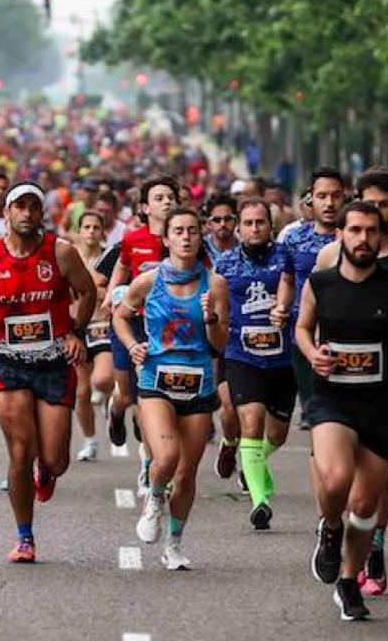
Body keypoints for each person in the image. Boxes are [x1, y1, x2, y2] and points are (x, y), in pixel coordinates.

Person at [297, 201, 388, 620]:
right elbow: (302, 329)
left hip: (383, 404)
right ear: (340, 235)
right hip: (333, 399)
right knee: (337, 477)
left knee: (364, 507)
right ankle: (330, 528)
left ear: (381, 237)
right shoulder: (320, 283)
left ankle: (348, 580)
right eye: (354, 230)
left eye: (370, 231)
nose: (362, 239)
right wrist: (312, 354)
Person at [0, 183, 97, 563]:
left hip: (52, 363)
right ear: (7, 213)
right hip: (8, 362)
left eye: (34, 206)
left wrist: (77, 332)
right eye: (20, 206)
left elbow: (87, 292)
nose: (27, 213)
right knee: (21, 451)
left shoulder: (61, 253)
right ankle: (25, 537)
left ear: (41, 213)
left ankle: (46, 475)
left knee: (55, 460)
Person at [113, 206, 229, 570]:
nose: (186, 236)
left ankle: (174, 543)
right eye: (178, 230)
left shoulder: (216, 283)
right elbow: (120, 315)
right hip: (155, 378)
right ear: (166, 239)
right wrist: (133, 345)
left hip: (198, 383)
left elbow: (220, 344)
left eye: (193, 230)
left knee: (187, 472)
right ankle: (154, 497)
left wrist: (211, 318)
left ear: (200, 236)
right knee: (166, 459)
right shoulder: (148, 280)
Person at [217, 199, 296, 529]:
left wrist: (284, 309)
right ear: (238, 227)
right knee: (251, 421)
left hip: (282, 357)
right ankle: (259, 501)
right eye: (248, 223)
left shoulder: (285, 258)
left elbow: (292, 290)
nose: (254, 228)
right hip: (241, 354)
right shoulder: (223, 264)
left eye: (260, 222)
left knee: (277, 435)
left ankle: (249, 460)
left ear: (270, 226)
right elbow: (214, 305)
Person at [106, 176, 180, 496]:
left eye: (170, 197)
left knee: (148, 396)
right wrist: (111, 294)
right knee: (126, 395)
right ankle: (115, 412)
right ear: (145, 207)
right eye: (159, 198)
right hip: (130, 325)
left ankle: (149, 465)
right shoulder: (132, 238)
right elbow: (122, 268)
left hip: (166, 329)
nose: (166, 202)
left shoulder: (185, 239)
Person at [281, 170, 345, 498]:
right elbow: (286, 279)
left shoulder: (356, 236)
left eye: (336, 195)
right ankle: (328, 486)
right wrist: (280, 309)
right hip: (303, 338)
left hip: (350, 337)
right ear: (310, 199)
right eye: (322, 196)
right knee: (318, 414)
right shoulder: (293, 238)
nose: (329, 203)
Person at [201, 193, 244, 481]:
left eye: (229, 218)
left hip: (237, 334)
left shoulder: (247, 251)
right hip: (203, 329)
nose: (223, 224)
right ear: (208, 223)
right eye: (217, 219)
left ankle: (231, 445)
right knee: (217, 399)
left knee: (232, 407)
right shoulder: (198, 251)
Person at [71, 210, 116, 462]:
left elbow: (111, 293)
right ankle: (90, 441)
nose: (90, 231)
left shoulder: (108, 259)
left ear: (102, 232)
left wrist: (90, 293)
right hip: (77, 328)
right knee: (81, 392)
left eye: (95, 227)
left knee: (103, 378)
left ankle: (109, 397)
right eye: (86, 227)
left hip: (102, 325)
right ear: (79, 231)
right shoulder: (70, 257)